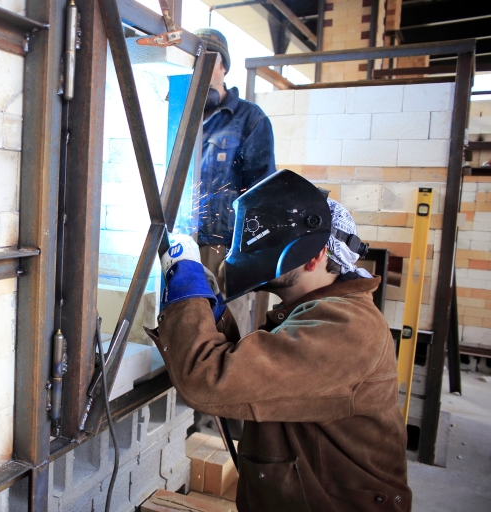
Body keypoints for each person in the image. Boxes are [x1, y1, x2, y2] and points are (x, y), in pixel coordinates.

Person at [149, 170, 412, 511]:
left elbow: (209, 381)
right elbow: (253, 371)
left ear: (315, 256)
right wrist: (208, 305)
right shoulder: (315, 311)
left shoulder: (346, 327)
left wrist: (185, 285)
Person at [193, 28, 277, 333]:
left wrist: (241, 261)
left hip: (224, 252)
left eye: (207, 59)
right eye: (194, 58)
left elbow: (262, 196)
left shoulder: (250, 120)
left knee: (227, 341)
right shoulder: (180, 114)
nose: (198, 66)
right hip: (181, 246)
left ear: (224, 66)